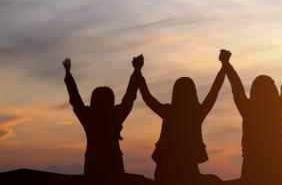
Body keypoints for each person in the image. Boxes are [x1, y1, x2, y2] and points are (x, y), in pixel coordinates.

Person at [136, 51, 227, 183]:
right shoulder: (197, 113)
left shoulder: (169, 112)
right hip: (185, 170)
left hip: (165, 169)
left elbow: (147, 98)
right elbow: (214, 91)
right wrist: (224, 67)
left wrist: (138, 72)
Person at [222, 45, 282, 183]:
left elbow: (236, 87)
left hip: (253, 169)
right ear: (273, 91)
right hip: (279, 169)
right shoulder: (279, 109)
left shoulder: (248, 110)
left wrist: (226, 64)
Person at [62, 55, 142, 184]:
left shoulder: (89, 116)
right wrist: (137, 71)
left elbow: (75, 99)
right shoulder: (115, 115)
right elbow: (129, 98)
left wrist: (68, 74)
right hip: (113, 164)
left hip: (93, 165)